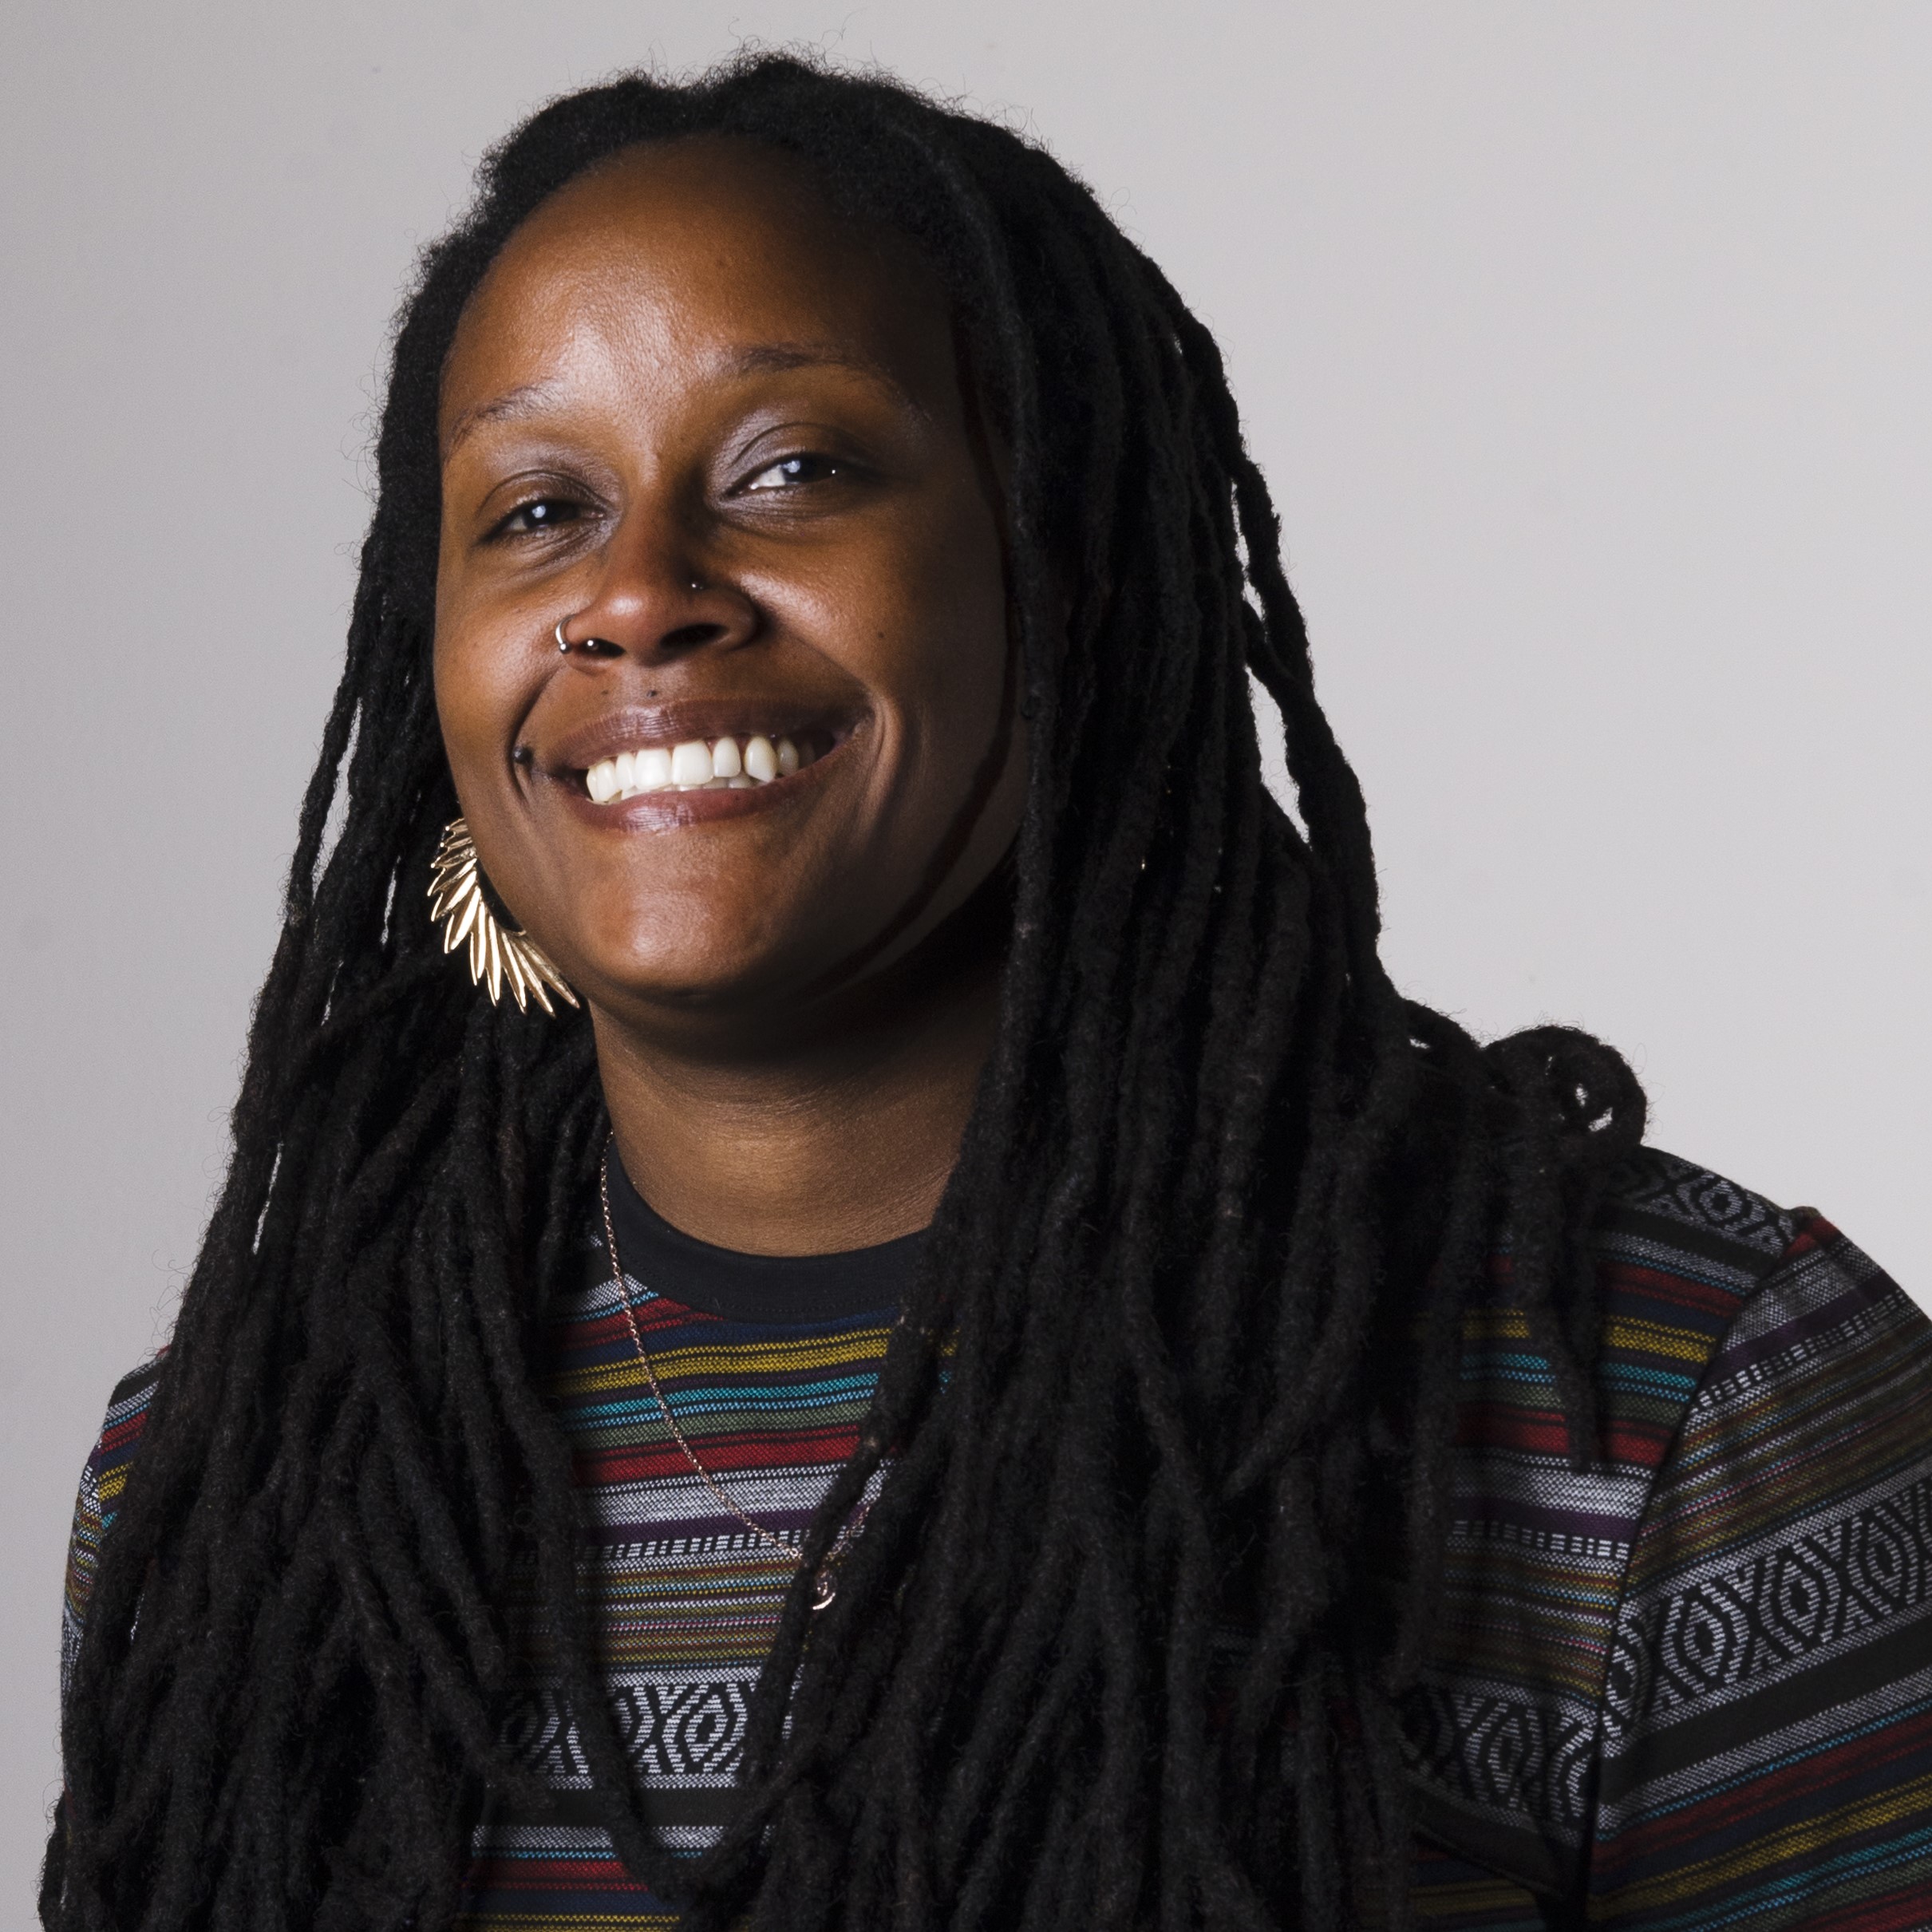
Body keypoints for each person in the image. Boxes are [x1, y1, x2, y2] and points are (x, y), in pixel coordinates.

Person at [44, 54, 1932, 1932]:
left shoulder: (1664, 1411)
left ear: (1070, 577)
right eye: (533, 508)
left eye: (792, 468)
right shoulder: (230, 1494)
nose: (636, 594)